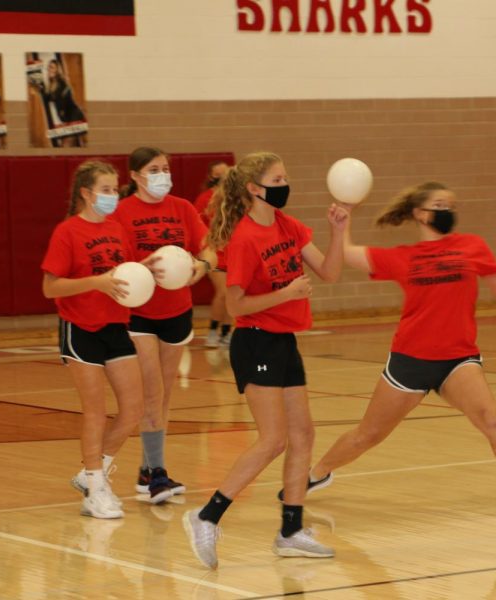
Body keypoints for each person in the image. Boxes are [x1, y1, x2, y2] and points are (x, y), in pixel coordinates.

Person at [292, 181, 496, 520]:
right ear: (420, 214)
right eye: (439, 205)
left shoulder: (471, 246)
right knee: (368, 434)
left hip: (458, 358)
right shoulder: (403, 256)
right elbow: (345, 254)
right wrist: (343, 221)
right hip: (410, 361)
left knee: (492, 419)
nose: (447, 211)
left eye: (451, 205)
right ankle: (317, 473)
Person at [182, 151, 348, 568]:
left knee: (304, 435)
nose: (285, 183)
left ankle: (291, 530)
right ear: (255, 188)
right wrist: (285, 294)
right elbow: (236, 305)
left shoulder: (288, 226)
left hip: (284, 341)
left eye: (285, 175)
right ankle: (206, 516)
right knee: (273, 439)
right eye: (278, 177)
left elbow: (329, 273)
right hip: (255, 341)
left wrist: (338, 230)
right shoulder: (243, 238)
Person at [110, 147, 217, 503]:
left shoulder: (183, 208)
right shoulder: (122, 212)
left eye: (166, 168)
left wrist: (200, 268)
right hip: (139, 313)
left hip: (177, 310)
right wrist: (144, 269)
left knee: (165, 396)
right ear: (137, 176)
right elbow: (116, 264)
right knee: (152, 393)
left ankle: (147, 469)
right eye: (154, 169)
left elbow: (209, 248)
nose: (162, 175)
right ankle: (157, 474)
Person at [41, 160, 144, 518]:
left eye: (115, 190)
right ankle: (96, 487)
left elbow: (126, 274)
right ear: (85, 193)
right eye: (105, 189)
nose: (112, 196)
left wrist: (150, 273)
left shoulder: (118, 228)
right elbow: (50, 286)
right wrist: (95, 283)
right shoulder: (67, 232)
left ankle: (90, 473)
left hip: (115, 325)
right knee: (96, 411)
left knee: (134, 409)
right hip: (79, 327)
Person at [194, 159, 233, 348]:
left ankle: (226, 333)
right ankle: (212, 331)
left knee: (232, 294)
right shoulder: (205, 198)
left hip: (233, 252)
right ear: (213, 176)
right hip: (214, 253)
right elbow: (196, 225)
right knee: (223, 292)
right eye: (220, 173)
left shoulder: (236, 198)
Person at [32, 59, 86, 147]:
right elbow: (47, 98)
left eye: (52, 67)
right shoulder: (52, 85)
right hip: (68, 119)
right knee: (72, 145)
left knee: (66, 145)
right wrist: (40, 89)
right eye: (48, 67)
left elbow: (62, 97)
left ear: (57, 70)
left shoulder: (62, 84)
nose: (49, 69)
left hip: (75, 117)